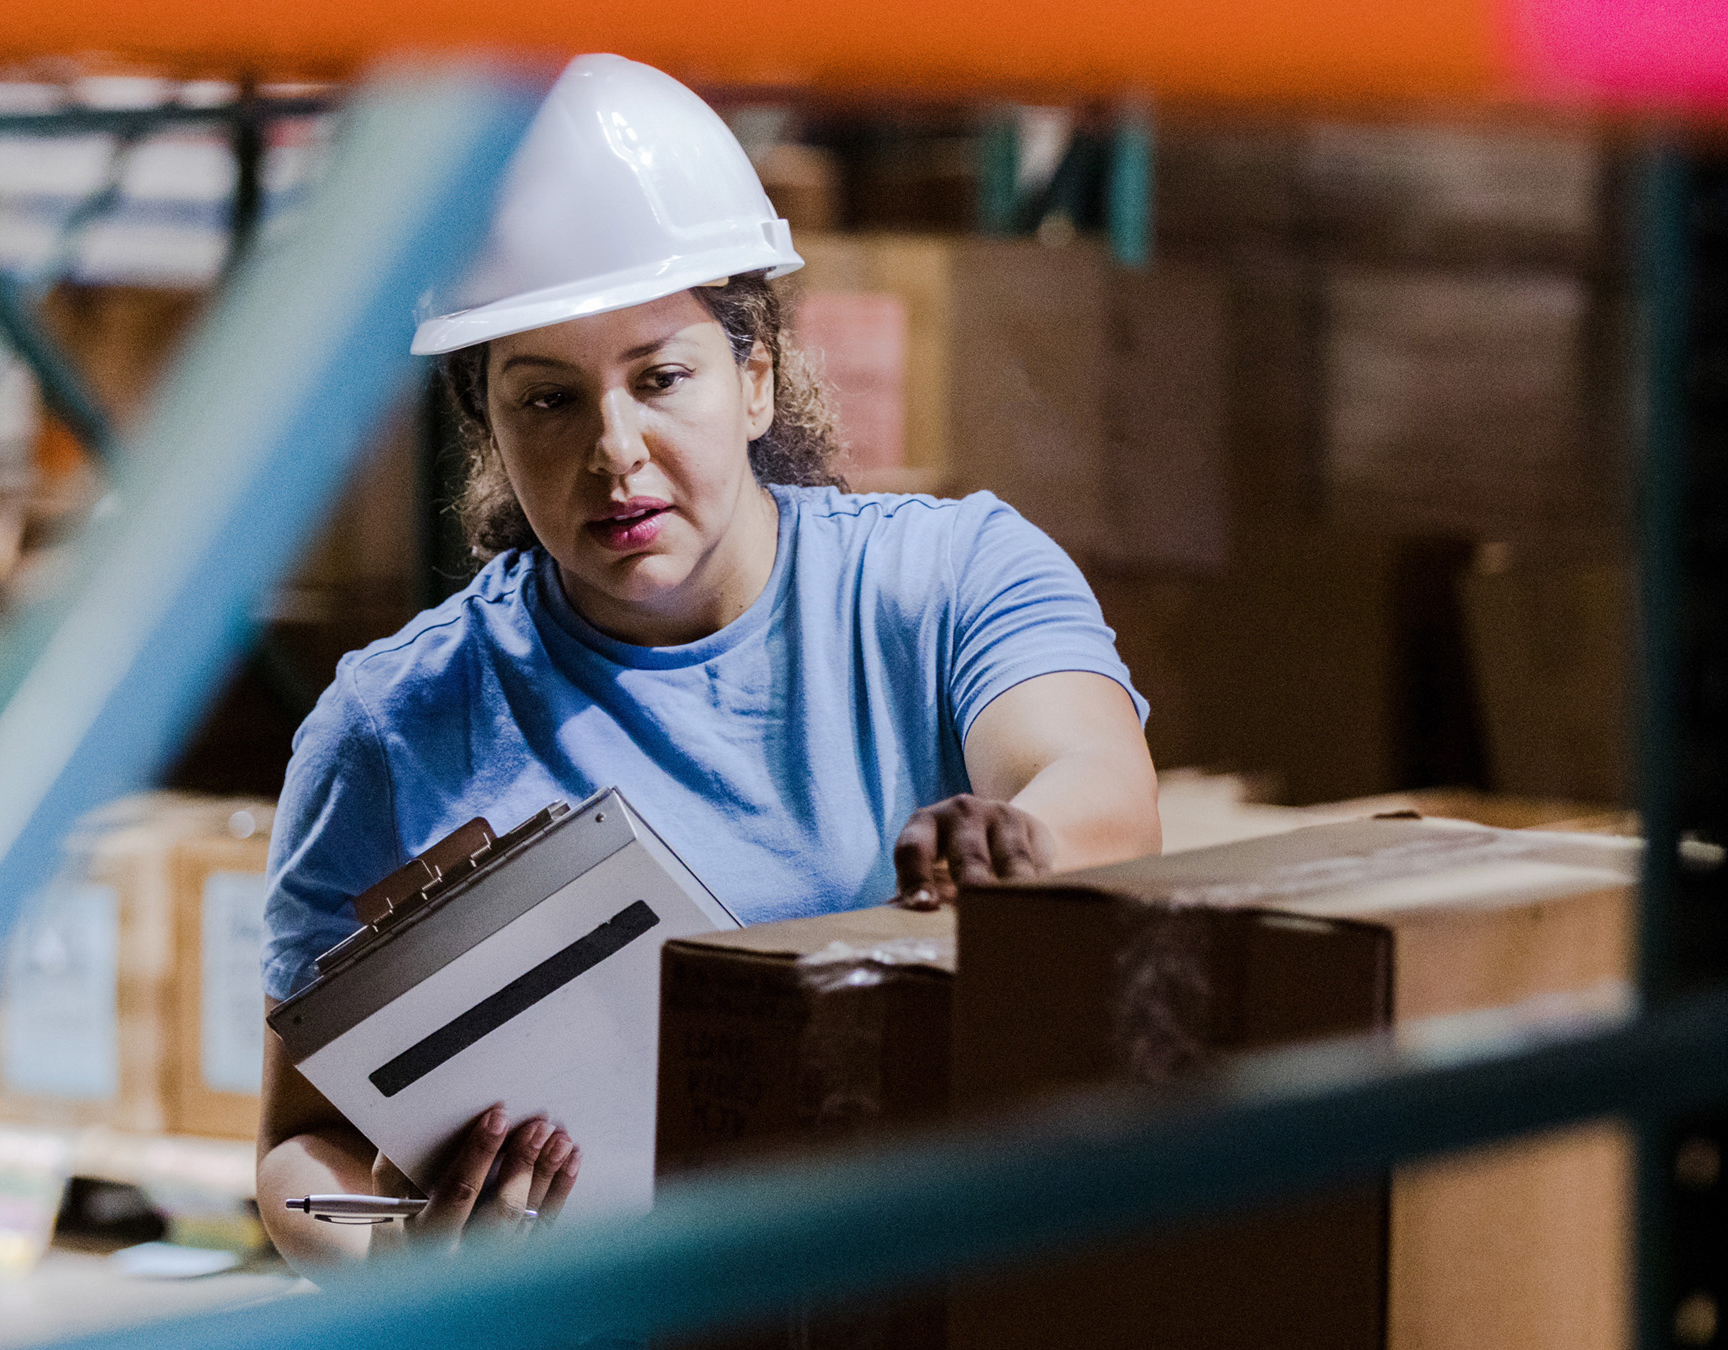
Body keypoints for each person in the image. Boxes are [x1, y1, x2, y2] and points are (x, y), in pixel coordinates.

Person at [257, 53, 1160, 1275]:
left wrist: (1021, 849)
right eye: (546, 401)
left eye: (662, 377)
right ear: (488, 429)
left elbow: (1101, 789)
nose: (613, 452)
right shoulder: (394, 726)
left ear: (756, 376)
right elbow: (299, 1156)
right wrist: (396, 1254)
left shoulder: (952, 582)